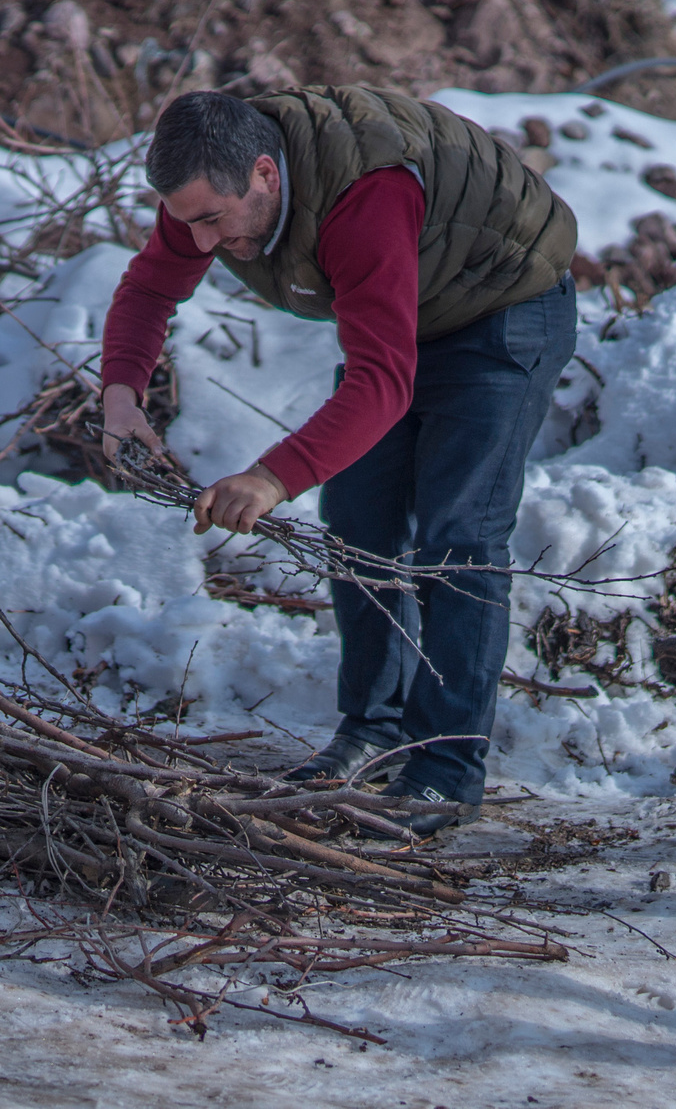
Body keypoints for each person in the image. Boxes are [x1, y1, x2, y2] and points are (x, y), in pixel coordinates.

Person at [97, 87, 577, 834]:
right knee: (358, 514)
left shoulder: (367, 195)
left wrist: (270, 475)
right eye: (185, 222)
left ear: (264, 174)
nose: (196, 243)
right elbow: (151, 286)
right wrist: (122, 389)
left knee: (460, 534)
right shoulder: (203, 183)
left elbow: (383, 382)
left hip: (502, 304)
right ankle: (375, 728)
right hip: (407, 302)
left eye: (211, 222)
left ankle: (447, 770)